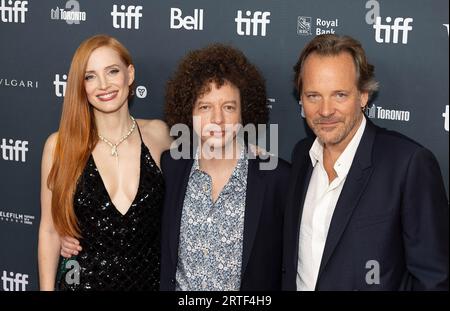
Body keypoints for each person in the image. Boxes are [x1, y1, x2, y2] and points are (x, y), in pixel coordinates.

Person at [282, 34, 449, 291]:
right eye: (314, 95)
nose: (325, 111)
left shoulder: (408, 165)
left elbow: (433, 279)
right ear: (301, 98)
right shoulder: (302, 155)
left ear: (363, 96)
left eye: (339, 95)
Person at [38, 34, 171, 290]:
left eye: (112, 71)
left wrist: (241, 149)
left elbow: (201, 173)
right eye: (90, 76)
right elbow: (50, 231)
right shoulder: (59, 147)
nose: (103, 85)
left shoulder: (159, 135)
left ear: (129, 75)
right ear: (81, 85)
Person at [160, 44, 290, 291]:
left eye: (228, 107)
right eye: (205, 107)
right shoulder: (171, 169)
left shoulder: (277, 178)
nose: (217, 119)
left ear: (244, 113)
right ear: (190, 113)